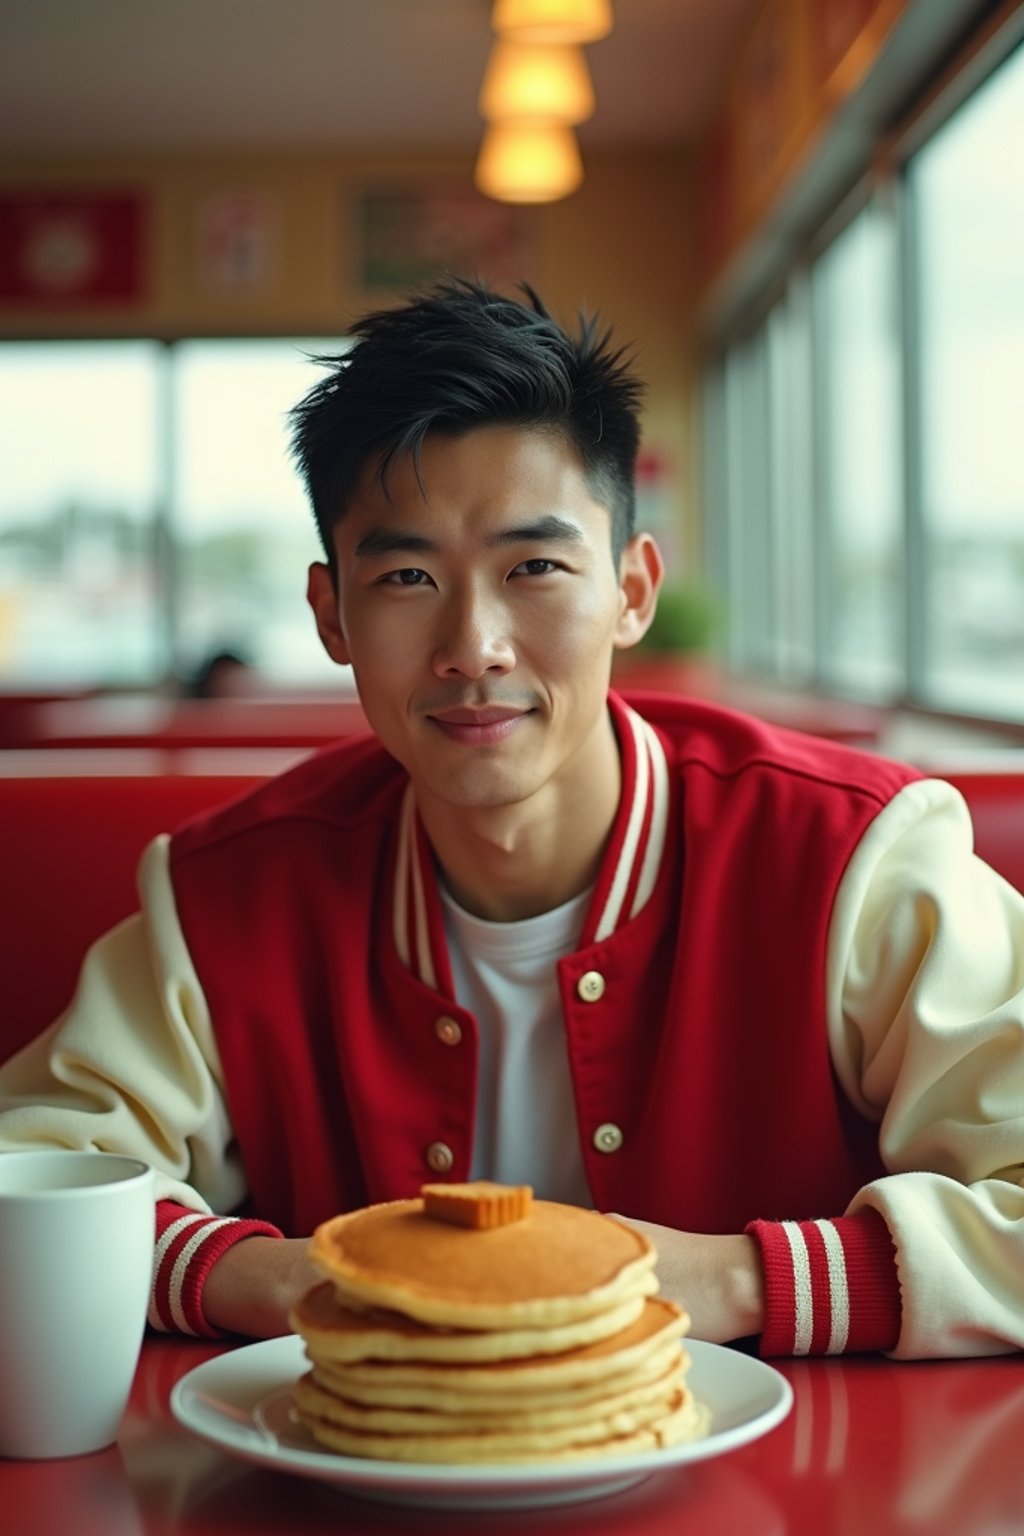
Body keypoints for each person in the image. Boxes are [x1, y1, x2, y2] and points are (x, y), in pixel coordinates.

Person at [1, 278, 1022, 1358]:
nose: (472, 645)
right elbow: (34, 1180)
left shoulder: (855, 855)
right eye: (404, 575)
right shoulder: (226, 891)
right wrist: (295, 1280)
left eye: (534, 566)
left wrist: (724, 1282)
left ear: (632, 589)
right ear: (328, 615)